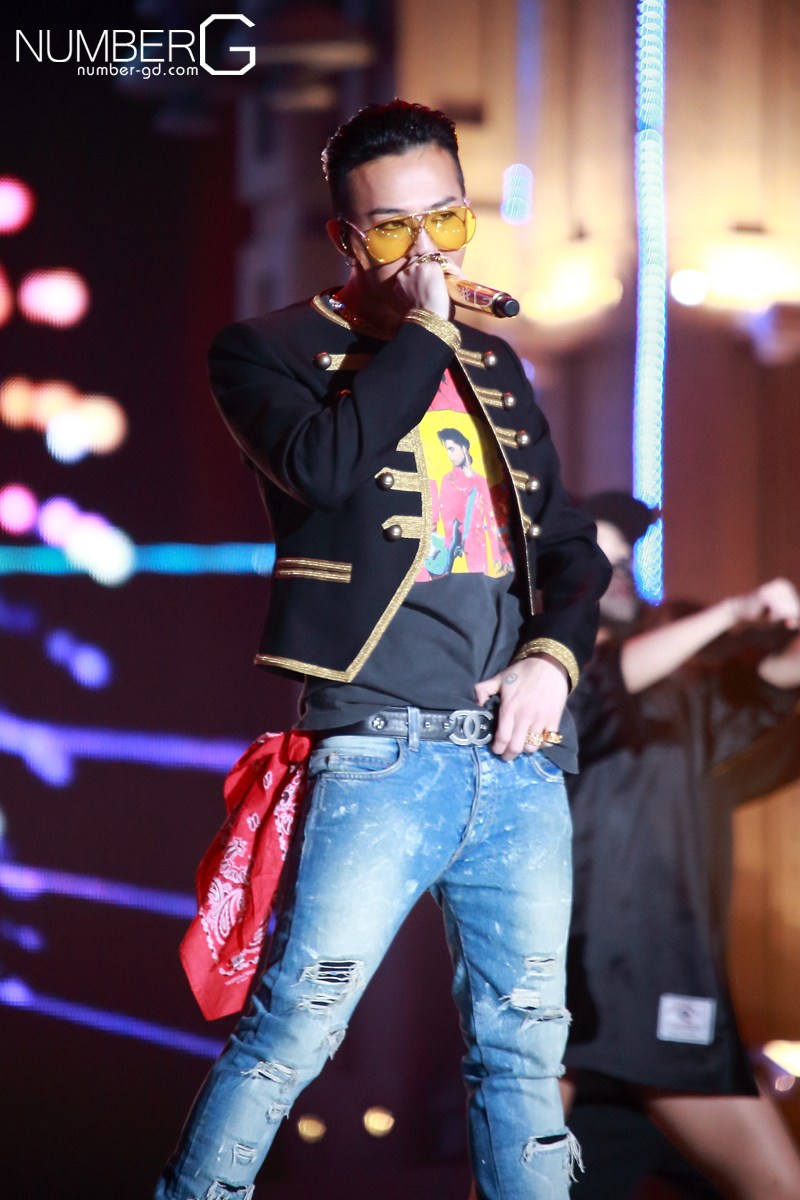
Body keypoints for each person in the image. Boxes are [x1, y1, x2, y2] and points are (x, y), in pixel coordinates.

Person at [154, 101, 610, 1200]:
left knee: (523, 1055)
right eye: (395, 230)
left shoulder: (498, 366)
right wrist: (424, 335)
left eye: (445, 221)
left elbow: (568, 548)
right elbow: (323, 469)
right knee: (290, 1035)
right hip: (377, 749)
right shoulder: (268, 353)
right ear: (346, 240)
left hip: (515, 761)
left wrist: (552, 659)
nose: (426, 254)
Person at [562, 491, 800, 1200]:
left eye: (625, 564)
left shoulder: (684, 694)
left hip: (664, 994)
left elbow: (770, 686)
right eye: (599, 561)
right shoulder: (542, 681)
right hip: (562, 999)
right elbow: (604, 684)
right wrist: (731, 611)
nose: (617, 575)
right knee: (513, 1186)